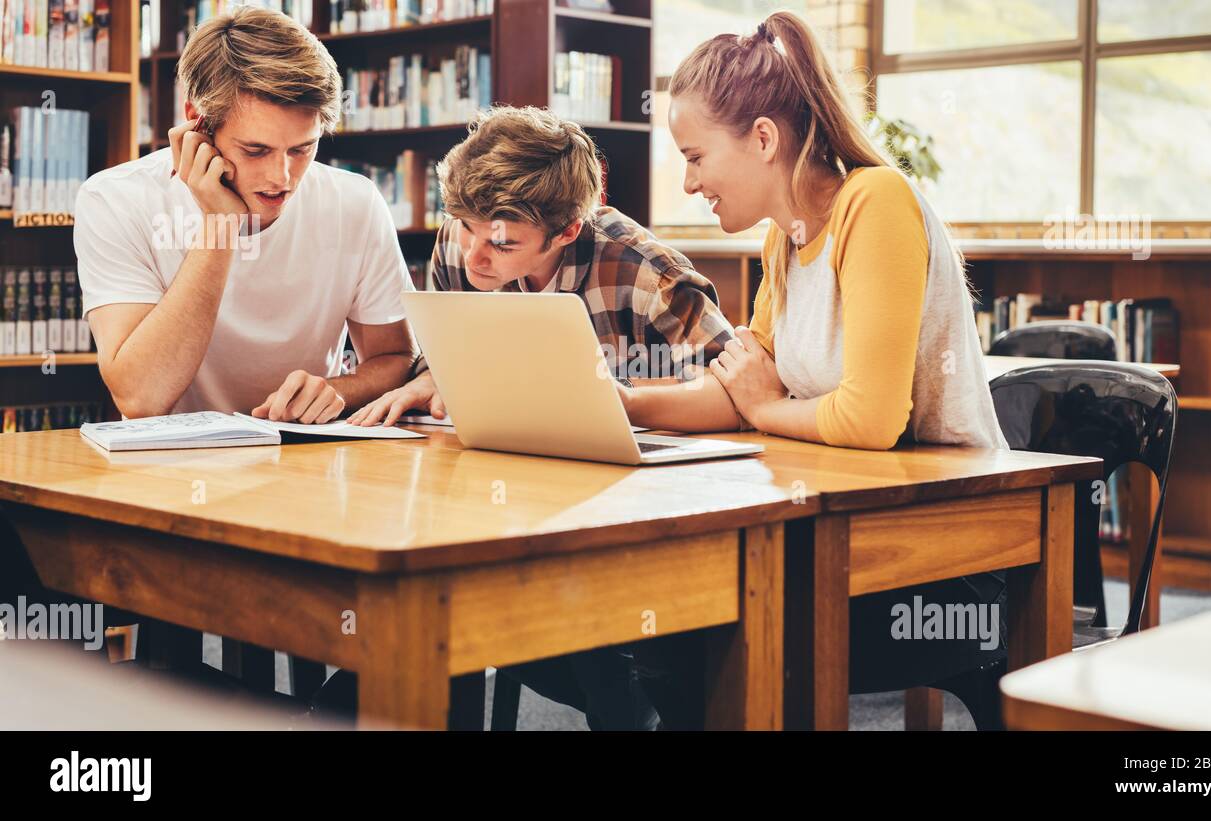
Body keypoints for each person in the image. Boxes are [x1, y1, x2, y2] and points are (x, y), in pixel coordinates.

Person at [621, 11, 1012, 728]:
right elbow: (735, 393)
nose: (686, 182)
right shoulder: (785, 237)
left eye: (695, 155)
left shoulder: (875, 203)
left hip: (949, 550)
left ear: (763, 139)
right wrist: (619, 403)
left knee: (701, 635)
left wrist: (767, 407)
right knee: (670, 630)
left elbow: (868, 418)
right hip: (849, 528)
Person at [332, 105, 737, 730]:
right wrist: (432, 376)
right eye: (462, 226)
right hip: (500, 499)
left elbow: (733, 389)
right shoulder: (464, 240)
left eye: (502, 243)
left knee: (571, 630)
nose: (472, 256)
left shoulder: (642, 271)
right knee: (428, 588)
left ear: (567, 232)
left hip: (628, 513)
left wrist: (615, 394)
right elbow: (449, 348)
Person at [74, 7, 417, 423]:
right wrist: (219, 226)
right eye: (256, 151)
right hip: (168, 469)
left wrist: (337, 391)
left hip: (307, 457)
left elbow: (396, 358)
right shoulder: (115, 199)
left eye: (301, 149)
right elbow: (141, 397)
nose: (282, 178)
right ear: (197, 123)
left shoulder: (355, 201)